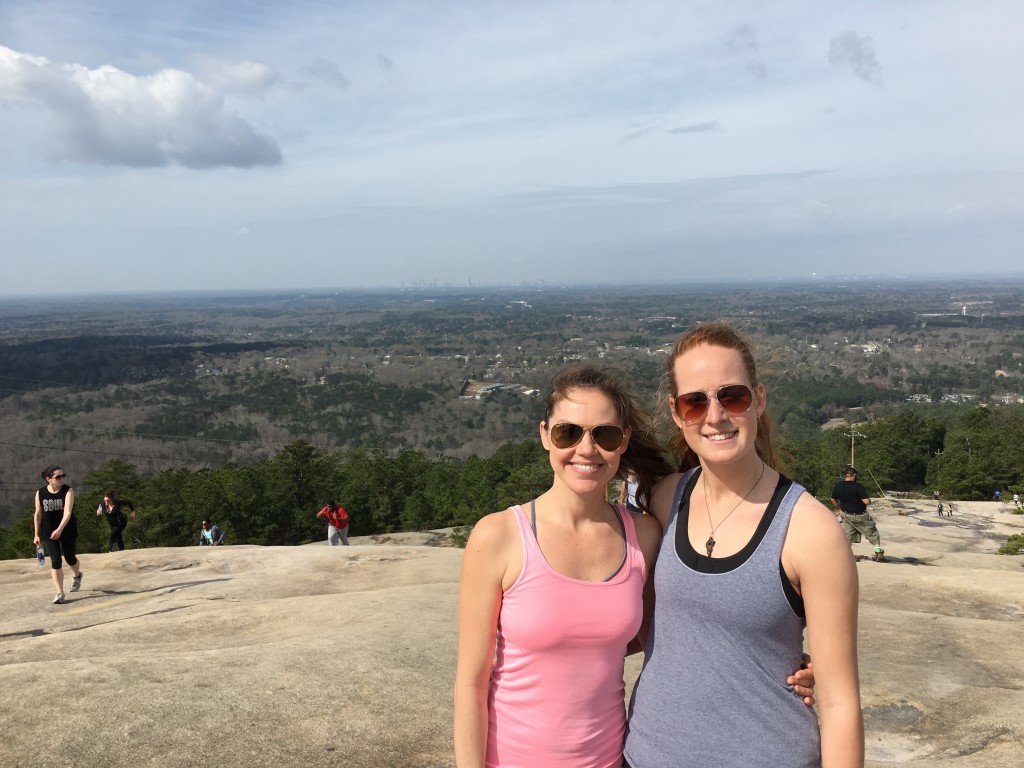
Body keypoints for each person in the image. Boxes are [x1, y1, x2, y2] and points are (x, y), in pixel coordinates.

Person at [454, 364, 815, 768]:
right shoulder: (499, 536)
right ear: (545, 436)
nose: (586, 449)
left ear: (623, 441)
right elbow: (471, 683)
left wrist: (777, 660)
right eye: (568, 432)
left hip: (612, 758)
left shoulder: (641, 536)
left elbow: (674, 628)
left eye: (604, 434)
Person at [624, 322, 863, 768]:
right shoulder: (664, 499)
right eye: (695, 402)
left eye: (731, 396)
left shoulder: (809, 530)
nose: (714, 416)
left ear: (759, 400)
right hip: (646, 753)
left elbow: (840, 702)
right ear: (677, 414)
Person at [33, 466, 84, 605]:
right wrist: (36, 534)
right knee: (55, 561)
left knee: (70, 558)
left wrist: (60, 529)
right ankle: (60, 593)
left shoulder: (68, 490)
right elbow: (38, 514)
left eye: (63, 476)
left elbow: (67, 513)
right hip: (48, 532)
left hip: (67, 530)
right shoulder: (40, 493)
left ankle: (77, 575)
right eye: (58, 477)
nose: (62, 479)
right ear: (48, 479)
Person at [830, 467, 885, 561]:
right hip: (860, 515)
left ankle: (846, 556)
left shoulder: (838, 486)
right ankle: (878, 553)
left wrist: (839, 508)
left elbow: (832, 499)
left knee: (848, 536)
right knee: (872, 533)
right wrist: (869, 500)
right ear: (854, 475)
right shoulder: (858, 486)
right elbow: (866, 501)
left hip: (846, 515)